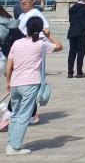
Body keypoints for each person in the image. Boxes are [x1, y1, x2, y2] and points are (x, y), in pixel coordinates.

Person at [5, 15, 62, 155]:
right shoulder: (41, 44)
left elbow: (9, 64)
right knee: (24, 115)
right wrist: (49, 34)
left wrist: (8, 81)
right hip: (30, 82)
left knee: (15, 114)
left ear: (27, 28)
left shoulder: (17, 43)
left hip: (15, 82)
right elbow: (59, 46)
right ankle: (15, 146)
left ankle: (11, 143)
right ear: (40, 29)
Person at [66, 0, 85, 78]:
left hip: (72, 32)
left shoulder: (72, 8)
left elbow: (70, 19)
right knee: (81, 53)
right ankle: (79, 72)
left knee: (72, 52)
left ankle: (70, 73)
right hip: (81, 32)